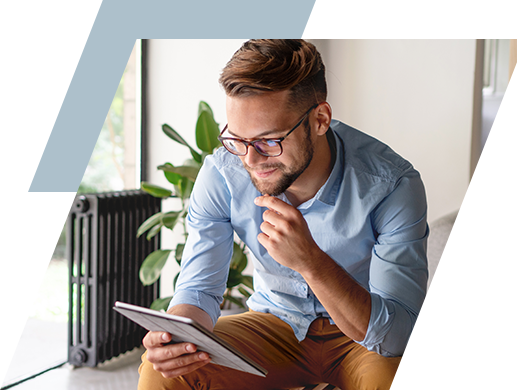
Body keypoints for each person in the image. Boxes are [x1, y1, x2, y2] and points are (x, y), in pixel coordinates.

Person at [138, 39, 429, 390]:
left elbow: (399, 336)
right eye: (237, 139)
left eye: (269, 141)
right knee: (163, 372)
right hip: (274, 325)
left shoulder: (391, 185)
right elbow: (199, 289)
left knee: (402, 381)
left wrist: (311, 262)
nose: (250, 160)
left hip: (361, 336)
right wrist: (176, 337)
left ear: (320, 120)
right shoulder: (222, 174)